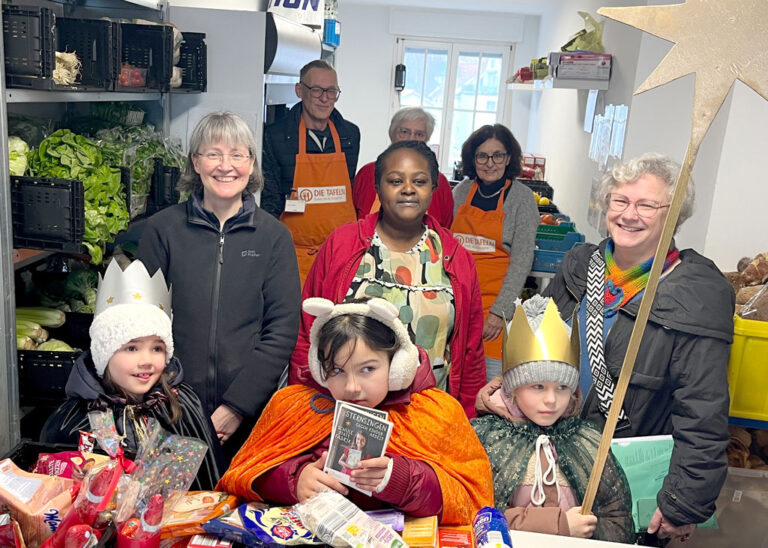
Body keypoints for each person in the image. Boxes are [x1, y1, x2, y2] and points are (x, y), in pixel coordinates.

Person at [543, 152, 734, 543]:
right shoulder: (581, 265)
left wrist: (683, 500)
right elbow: (536, 345)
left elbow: (702, 409)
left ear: (673, 214)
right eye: (620, 201)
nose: (629, 214)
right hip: (551, 463)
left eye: (647, 204)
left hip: (624, 483)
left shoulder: (696, 293)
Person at [217, 298, 493, 524]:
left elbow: (471, 501)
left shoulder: (437, 412)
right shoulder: (293, 404)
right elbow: (241, 476)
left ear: (398, 366)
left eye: (368, 369)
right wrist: (294, 480)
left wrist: (401, 479)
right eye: (336, 370)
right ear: (319, 368)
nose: (351, 387)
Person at [138, 111, 301, 457]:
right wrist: (169, 399)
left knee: (240, 506)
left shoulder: (274, 237)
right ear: (196, 162)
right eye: (213, 154)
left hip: (251, 416)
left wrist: (237, 407)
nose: (225, 166)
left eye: (237, 154)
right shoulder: (162, 230)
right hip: (172, 409)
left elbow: (282, 329)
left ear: (252, 163)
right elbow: (143, 323)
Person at [288, 140, 486, 417]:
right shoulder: (342, 244)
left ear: (433, 190)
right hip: (347, 411)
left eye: (419, 180)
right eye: (395, 180)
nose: (408, 189)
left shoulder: (456, 257)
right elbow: (307, 333)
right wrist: (306, 412)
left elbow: (470, 351)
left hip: (430, 417)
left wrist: (467, 421)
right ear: (378, 189)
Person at [41, 260, 225, 490]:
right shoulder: (76, 419)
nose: (147, 360)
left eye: (157, 348)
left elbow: (207, 487)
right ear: (104, 354)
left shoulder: (181, 404)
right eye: (131, 348)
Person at [472, 295, 634, 543]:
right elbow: (473, 514)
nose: (551, 400)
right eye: (538, 386)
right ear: (513, 388)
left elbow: (616, 513)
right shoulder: (485, 439)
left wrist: (591, 531)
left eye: (561, 387)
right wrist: (559, 525)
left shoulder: (586, 439)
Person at [452, 124, 539, 382]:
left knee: (488, 383)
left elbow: (522, 261)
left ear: (509, 158)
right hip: (457, 305)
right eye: (482, 156)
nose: (490, 163)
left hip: (494, 307)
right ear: (472, 159)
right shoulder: (460, 193)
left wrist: (500, 312)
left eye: (497, 155)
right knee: (455, 379)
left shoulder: (521, 199)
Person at [260, 59, 361, 283]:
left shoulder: (350, 136)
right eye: (316, 90)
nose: (324, 98)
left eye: (331, 91)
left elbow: (348, 190)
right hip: (292, 257)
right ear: (299, 90)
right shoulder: (276, 136)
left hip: (340, 256)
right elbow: (270, 200)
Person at [352, 107, 454, 227]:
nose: (411, 139)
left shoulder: (439, 182)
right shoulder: (367, 173)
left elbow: (445, 229)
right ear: (392, 134)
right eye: (404, 132)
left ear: (427, 139)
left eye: (419, 134)